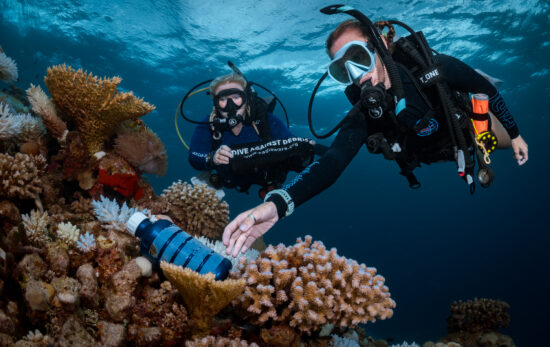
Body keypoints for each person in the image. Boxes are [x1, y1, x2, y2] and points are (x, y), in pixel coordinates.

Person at [222, 17, 529, 257]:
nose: (357, 75)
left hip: (464, 128)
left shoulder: (434, 68)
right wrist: (278, 203)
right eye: (343, 70)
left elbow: (486, 91)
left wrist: (515, 135)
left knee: (491, 138)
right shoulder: (364, 113)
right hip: (435, 150)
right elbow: (333, 162)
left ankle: (487, 131)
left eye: (358, 57)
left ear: (379, 45)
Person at [188, 72, 314, 198]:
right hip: (231, 178)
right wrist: (212, 158)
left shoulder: (266, 120)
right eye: (223, 99)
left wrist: (303, 149)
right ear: (215, 101)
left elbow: (291, 143)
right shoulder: (208, 125)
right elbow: (194, 156)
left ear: (246, 98)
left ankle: (270, 186)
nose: (230, 106)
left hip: (265, 175)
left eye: (236, 97)